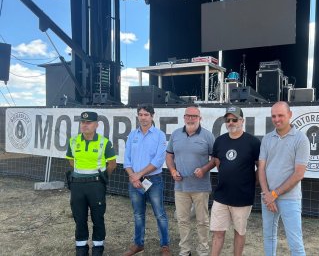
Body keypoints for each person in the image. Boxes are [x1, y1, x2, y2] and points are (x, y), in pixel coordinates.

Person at [258, 101, 310, 256]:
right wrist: (267, 194)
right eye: (273, 116)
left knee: (295, 242)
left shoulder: (301, 139)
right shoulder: (267, 139)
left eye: (280, 115)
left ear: (290, 115)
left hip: (290, 198)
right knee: (269, 237)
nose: (276, 119)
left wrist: (274, 194)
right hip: (267, 198)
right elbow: (261, 168)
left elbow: (299, 174)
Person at [210, 105, 261, 256]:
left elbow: (261, 168)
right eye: (228, 120)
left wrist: (251, 183)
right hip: (221, 196)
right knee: (218, 233)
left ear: (242, 121)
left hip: (243, 197)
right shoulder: (219, 141)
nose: (231, 123)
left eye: (234, 119)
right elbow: (219, 164)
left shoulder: (253, 142)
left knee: (239, 232)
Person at [166, 106, 215, 256]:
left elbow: (215, 159)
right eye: (188, 116)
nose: (191, 118)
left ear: (200, 118)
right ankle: (185, 250)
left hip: (201, 187)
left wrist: (204, 169)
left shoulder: (208, 136)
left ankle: (203, 250)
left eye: (194, 116)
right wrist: (173, 171)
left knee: (202, 221)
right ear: (184, 117)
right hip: (180, 187)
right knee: (182, 220)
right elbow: (169, 156)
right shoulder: (175, 134)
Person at [66, 111, 117, 256]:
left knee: (98, 217)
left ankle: (97, 247)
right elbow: (71, 160)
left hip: (96, 185)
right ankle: (81, 247)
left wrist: (101, 178)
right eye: (82, 122)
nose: (85, 125)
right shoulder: (73, 141)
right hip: (77, 185)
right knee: (79, 217)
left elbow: (112, 164)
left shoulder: (104, 142)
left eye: (88, 123)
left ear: (96, 125)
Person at [123, 105, 171, 256]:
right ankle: (138, 244)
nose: (143, 117)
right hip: (135, 182)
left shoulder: (159, 135)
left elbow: (158, 160)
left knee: (160, 214)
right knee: (138, 214)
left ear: (152, 116)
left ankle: (165, 246)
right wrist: (133, 176)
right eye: (140, 114)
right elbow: (126, 159)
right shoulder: (132, 135)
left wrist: (139, 174)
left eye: (146, 114)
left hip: (153, 180)